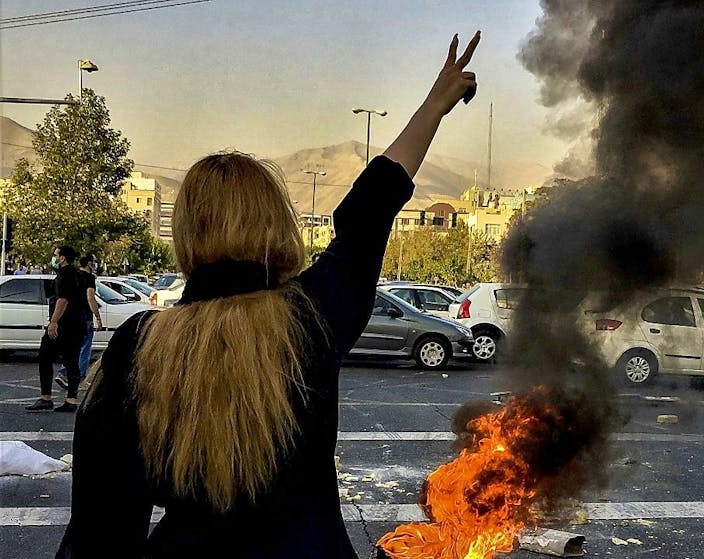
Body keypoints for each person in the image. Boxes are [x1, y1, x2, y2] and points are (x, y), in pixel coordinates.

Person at [56, 31, 480, 558]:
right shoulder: (311, 316)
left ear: (187, 233)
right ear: (276, 222)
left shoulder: (137, 346)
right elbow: (369, 211)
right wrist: (435, 105)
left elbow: (100, 531)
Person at [26, 246, 87, 412]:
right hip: (77, 325)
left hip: (64, 325)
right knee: (72, 362)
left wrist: (53, 322)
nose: (53, 258)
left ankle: (46, 398)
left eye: (56, 255)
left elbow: (62, 301)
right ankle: (71, 400)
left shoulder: (63, 276)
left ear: (62, 258)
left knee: (45, 356)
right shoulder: (78, 274)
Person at [55, 254, 102, 390]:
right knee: (84, 349)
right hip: (85, 318)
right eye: (93, 262)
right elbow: (90, 297)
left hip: (72, 316)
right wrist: (97, 317)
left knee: (73, 348)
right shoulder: (89, 278)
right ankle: (79, 379)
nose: (94, 265)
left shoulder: (74, 275)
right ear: (89, 264)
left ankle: (63, 373)